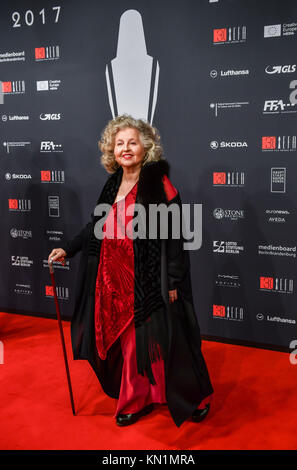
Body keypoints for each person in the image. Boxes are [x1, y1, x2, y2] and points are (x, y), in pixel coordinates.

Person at [48, 114, 213, 427]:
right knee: (131, 347)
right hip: (113, 284)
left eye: (132, 143)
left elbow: (175, 237)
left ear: (145, 148)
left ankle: (195, 398)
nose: (125, 148)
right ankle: (137, 399)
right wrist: (69, 248)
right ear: (112, 150)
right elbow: (95, 227)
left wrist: (174, 280)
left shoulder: (159, 184)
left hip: (150, 281)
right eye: (119, 143)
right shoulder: (112, 184)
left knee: (168, 342)